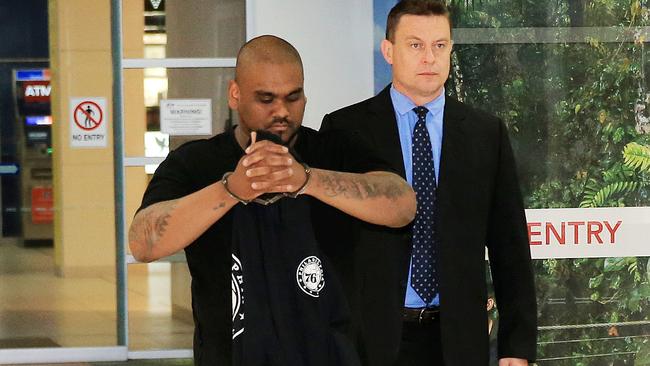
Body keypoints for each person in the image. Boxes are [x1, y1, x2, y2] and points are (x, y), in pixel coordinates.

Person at [128, 35, 416, 366]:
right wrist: (230, 190)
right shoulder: (195, 163)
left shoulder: (334, 150)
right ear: (235, 94)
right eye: (266, 99)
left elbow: (403, 206)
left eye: (293, 98)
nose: (282, 111)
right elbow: (142, 243)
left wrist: (307, 179)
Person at [320, 1, 537, 365]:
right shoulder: (346, 131)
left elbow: (510, 247)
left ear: (451, 50)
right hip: (370, 340)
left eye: (440, 45)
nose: (429, 58)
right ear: (388, 51)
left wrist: (516, 346)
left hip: (458, 339)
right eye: (415, 45)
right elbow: (326, 245)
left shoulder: (485, 134)